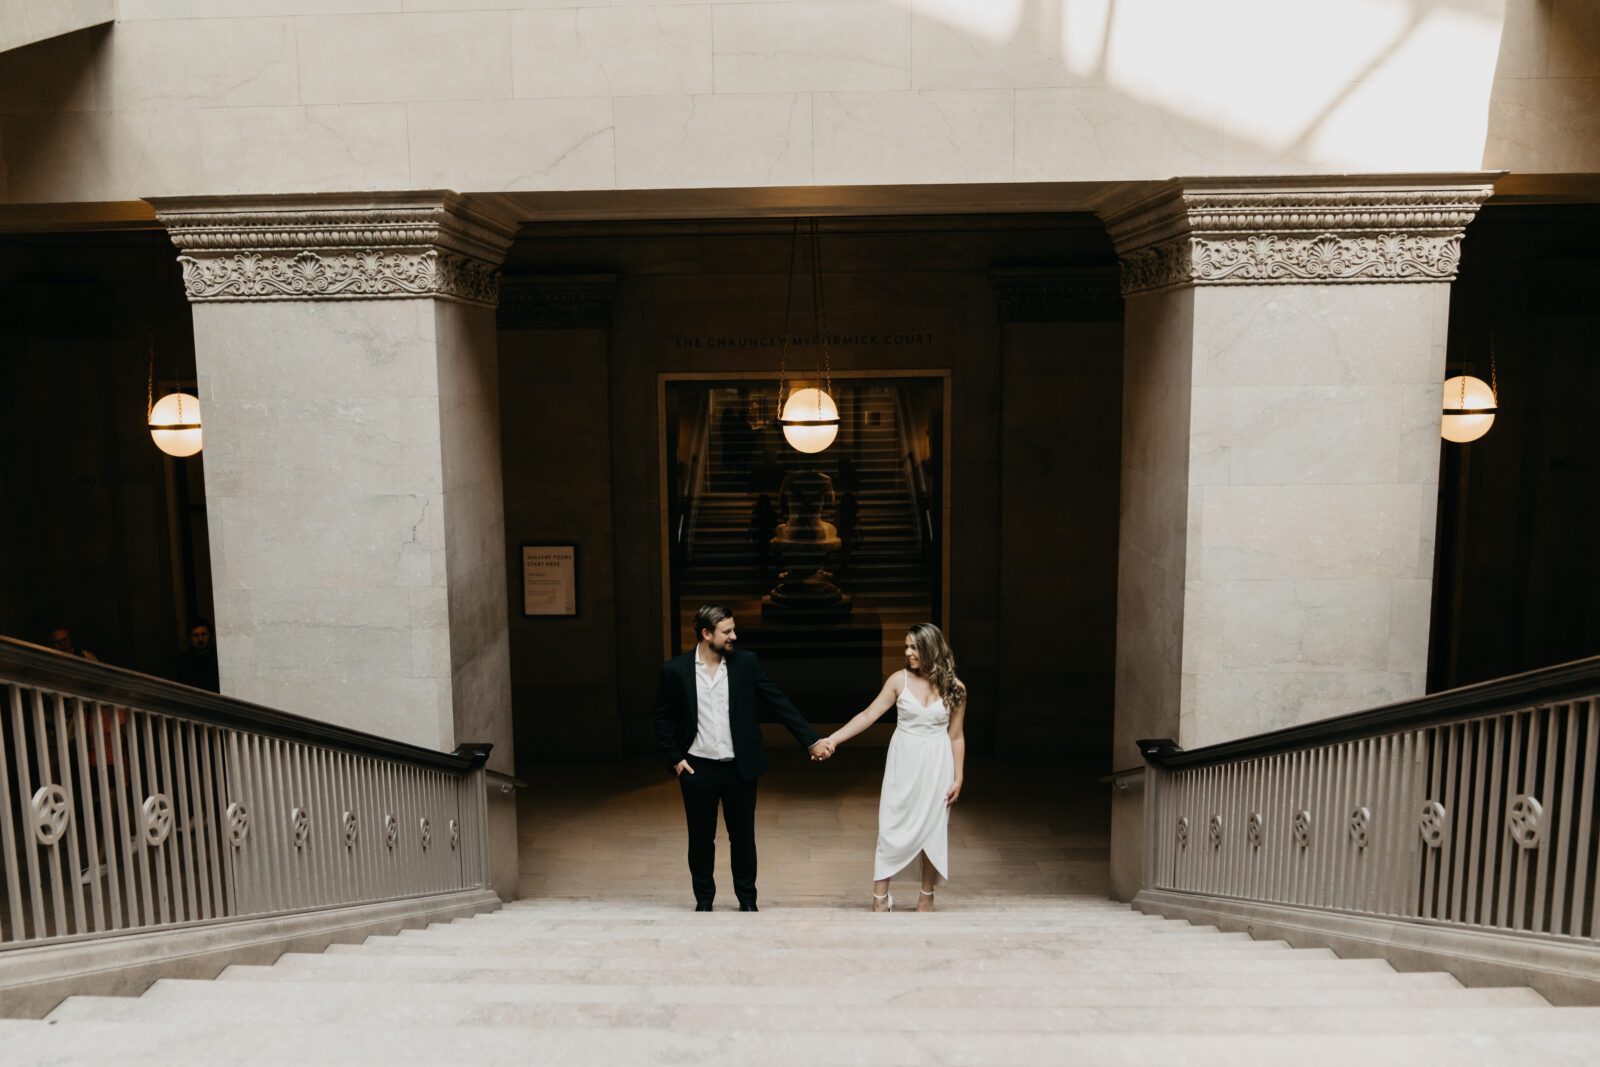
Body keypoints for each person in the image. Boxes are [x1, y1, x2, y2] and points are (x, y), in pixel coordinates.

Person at [652, 604, 834, 911]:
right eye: (727, 631)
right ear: (706, 634)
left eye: (733, 629)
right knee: (700, 841)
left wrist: (811, 741)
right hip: (696, 769)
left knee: (743, 839)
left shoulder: (745, 664)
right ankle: (704, 903)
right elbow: (660, 716)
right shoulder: (675, 670)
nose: (734, 636)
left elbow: (778, 701)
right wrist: (676, 759)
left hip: (740, 768)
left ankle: (748, 903)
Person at [823, 623, 966, 912]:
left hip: (938, 763)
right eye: (907, 646)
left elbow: (956, 735)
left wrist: (959, 777)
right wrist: (833, 739)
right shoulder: (898, 681)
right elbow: (868, 715)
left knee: (933, 828)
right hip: (904, 760)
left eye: (914, 647)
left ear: (930, 649)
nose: (907, 652)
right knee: (892, 823)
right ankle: (879, 899)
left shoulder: (956, 688)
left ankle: (926, 896)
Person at [178, 619, 220, 692]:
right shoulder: (184, 660)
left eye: (204, 635)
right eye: (195, 635)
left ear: (210, 636)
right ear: (190, 638)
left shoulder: (219, 657)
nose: (200, 639)